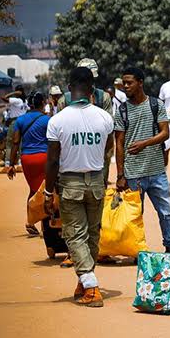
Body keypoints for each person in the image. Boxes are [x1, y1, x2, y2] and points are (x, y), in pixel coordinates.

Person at [44, 66, 114, 307]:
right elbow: (107, 148)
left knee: (74, 236)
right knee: (92, 235)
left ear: (69, 88)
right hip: (96, 181)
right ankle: (84, 282)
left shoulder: (57, 120)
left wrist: (47, 191)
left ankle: (92, 287)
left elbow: (53, 160)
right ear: (92, 89)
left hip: (70, 182)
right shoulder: (105, 117)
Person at [114, 67, 170, 256]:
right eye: (124, 83)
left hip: (156, 170)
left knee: (166, 212)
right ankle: (137, 250)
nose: (126, 86)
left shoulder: (156, 104)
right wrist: (120, 175)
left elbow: (165, 133)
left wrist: (145, 143)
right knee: (135, 215)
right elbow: (119, 143)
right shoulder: (121, 110)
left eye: (130, 82)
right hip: (132, 173)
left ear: (140, 82)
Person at [58, 58, 114, 185]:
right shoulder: (65, 100)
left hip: (99, 150)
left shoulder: (103, 97)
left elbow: (109, 127)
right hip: (73, 149)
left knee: (99, 185)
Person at [7, 92, 50, 236]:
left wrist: (11, 164)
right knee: (46, 190)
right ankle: (46, 224)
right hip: (44, 157)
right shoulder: (47, 120)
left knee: (33, 189)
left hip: (27, 159)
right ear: (42, 102)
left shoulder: (20, 120)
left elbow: (15, 143)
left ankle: (31, 222)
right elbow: (53, 142)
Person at [1, 85, 28, 173]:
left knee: (9, 143)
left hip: (15, 122)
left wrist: (13, 93)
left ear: (17, 92)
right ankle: (20, 164)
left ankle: (7, 165)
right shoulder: (25, 101)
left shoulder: (16, 100)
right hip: (24, 122)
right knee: (21, 144)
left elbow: (3, 98)